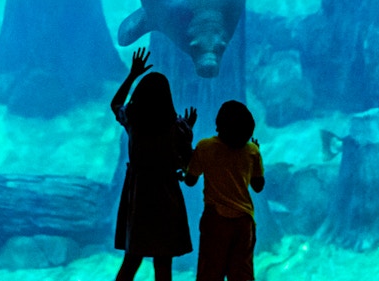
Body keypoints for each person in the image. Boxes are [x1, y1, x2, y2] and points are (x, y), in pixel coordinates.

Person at [111, 46, 197, 281]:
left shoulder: (133, 120)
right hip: (166, 196)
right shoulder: (178, 128)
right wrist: (188, 132)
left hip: (139, 196)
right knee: (163, 262)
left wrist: (132, 74)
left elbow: (116, 104)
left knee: (132, 259)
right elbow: (188, 164)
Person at [184, 100, 265, 281]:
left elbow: (190, 181)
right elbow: (258, 186)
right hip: (243, 222)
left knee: (210, 272)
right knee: (242, 273)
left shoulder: (205, 147)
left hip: (215, 220)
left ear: (219, 125)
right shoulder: (252, 151)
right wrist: (255, 156)